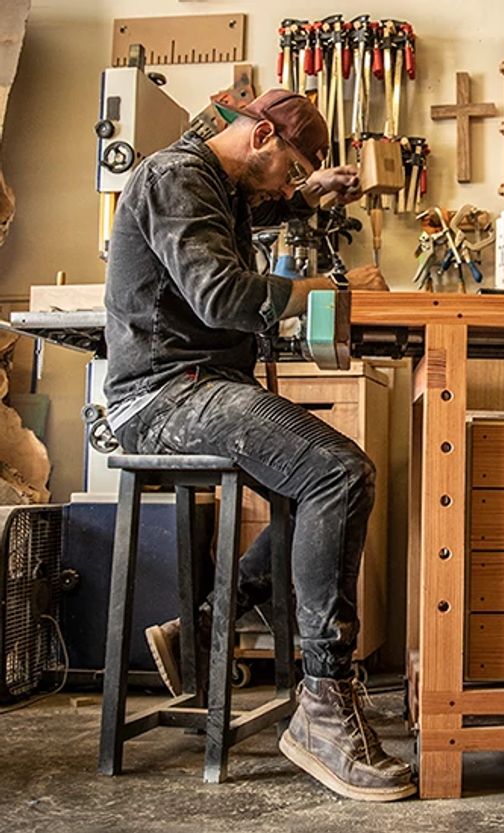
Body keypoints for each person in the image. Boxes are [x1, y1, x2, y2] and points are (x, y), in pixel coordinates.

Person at [102, 89, 409, 801]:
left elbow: (265, 206)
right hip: (163, 394)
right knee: (337, 474)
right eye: (285, 166)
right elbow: (217, 294)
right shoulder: (173, 176)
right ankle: (324, 709)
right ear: (261, 133)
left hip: (198, 383)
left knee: (323, 481)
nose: (282, 184)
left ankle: (208, 623)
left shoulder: (221, 185)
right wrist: (332, 289)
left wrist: (308, 191)